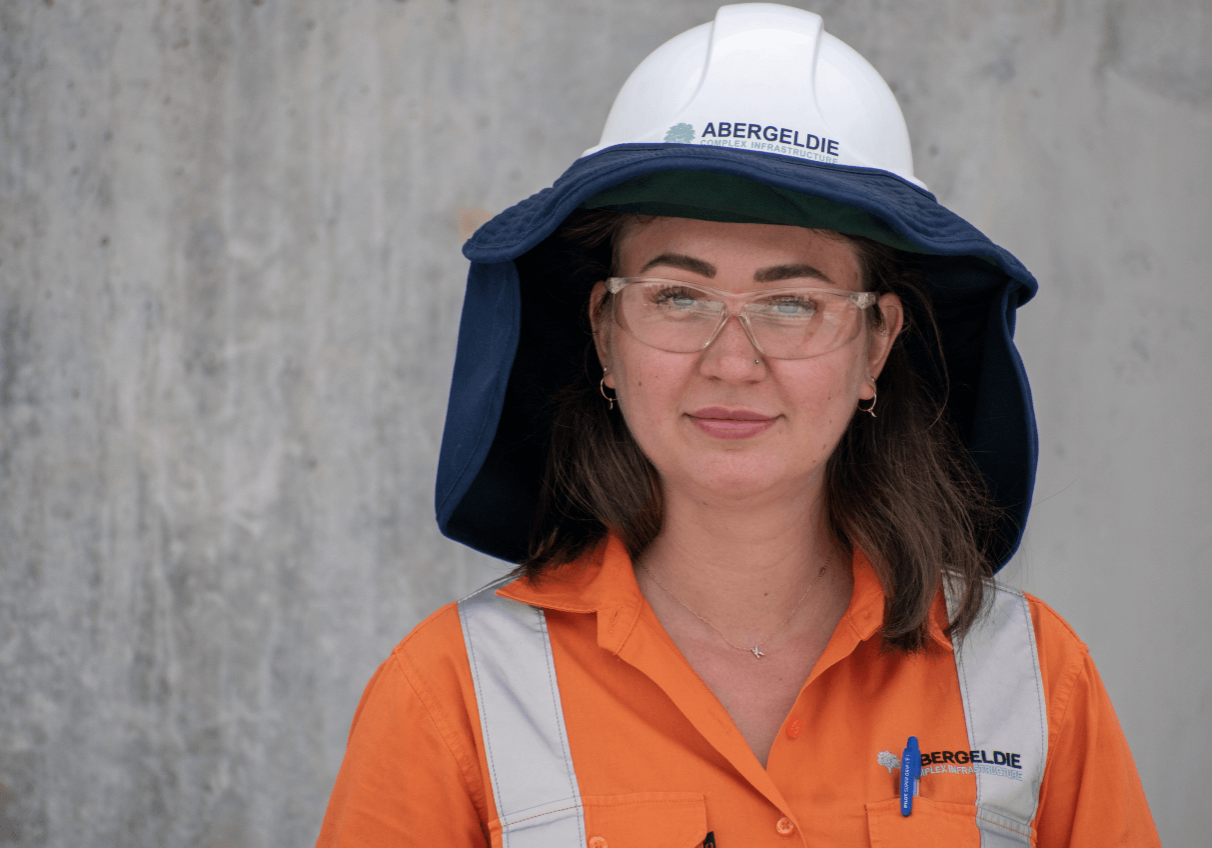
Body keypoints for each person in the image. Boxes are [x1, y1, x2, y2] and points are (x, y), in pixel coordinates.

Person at [316, 5, 1160, 846]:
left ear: (877, 345)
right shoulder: (453, 692)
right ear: (606, 335)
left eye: (792, 302)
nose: (731, 362)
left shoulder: (1033, 680)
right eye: (679, 296)